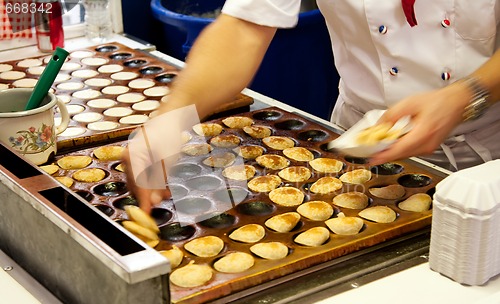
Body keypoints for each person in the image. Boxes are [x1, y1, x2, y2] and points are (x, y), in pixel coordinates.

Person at [124, 0, 500, 213]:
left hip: (489, 157)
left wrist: (468, 94)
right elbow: (244, 27)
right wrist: (172, 116)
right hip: (359, 149)